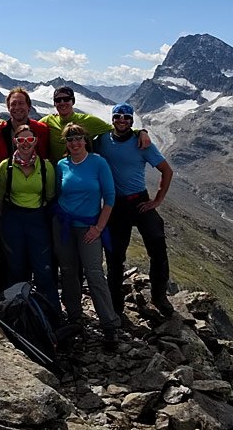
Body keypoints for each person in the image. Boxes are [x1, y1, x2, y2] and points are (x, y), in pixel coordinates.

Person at [94, 102, 175, 317]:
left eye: (127, 118)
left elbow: (166, 171)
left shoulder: (143, 143)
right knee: (114, 256)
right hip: (115, 205)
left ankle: (159, 296)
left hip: (139, 201)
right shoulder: (102, 140)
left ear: (132, 120)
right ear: (112, 119)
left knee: (157, 244)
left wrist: (157, 200)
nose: (122, 120)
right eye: (118, 116)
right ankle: (115, 305)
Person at [53, 122, 121, 346]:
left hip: (89, 226)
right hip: (63, 224)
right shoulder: (61, 164)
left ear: (86, 140)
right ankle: (74, 317)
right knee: (69, 271)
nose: (74, 143)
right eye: (70, 139)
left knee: (93, 273)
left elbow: (110, 198)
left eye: (78, 138)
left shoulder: (98, 163)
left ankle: (109, 324)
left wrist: (99, 228)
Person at [0, 124, 58, 308]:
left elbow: (50, 196)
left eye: (30, 139)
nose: (25, 143)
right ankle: (17, 314)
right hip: (13, 220)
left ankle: (51, 317)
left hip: (37, 220)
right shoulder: (6, 167)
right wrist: (7, 219)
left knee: (43, 270)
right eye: (21, 139)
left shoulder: (46, 167)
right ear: (15, 141)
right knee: (16, 269)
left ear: (36, 141)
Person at [40, 86, 151, 161]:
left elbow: (116, 129)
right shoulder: (48, 121)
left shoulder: (89, 121)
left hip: (81, 173)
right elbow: (30, 128)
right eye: (58, 100)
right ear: (54, 103)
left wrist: (140, 132)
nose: (62, 103)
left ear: (72, 101)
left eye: (66, 99)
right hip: (56, 174)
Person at [0, 87, 50, 162]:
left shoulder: (41, 130)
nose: (17, 107)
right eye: (13, 104)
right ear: (8, 108)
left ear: (29, 107)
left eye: (21, 103)